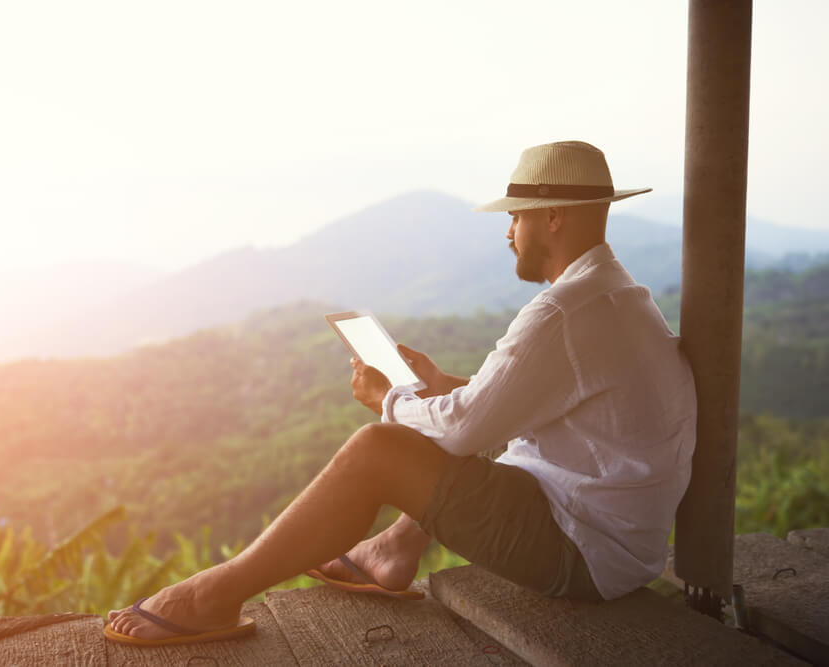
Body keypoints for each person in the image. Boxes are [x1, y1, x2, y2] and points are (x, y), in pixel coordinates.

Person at [104, 140, 697, 647]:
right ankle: (391, 547)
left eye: (516, 217)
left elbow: (463, 431)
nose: (509, 232)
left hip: (585, 552)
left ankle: (213, 594)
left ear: (552, 218)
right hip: (619, 542)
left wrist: (390, 401)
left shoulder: (562, 312)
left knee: (379, 448)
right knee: (443, 420)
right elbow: (540, 410)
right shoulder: (619, 297)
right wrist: (440, 388)